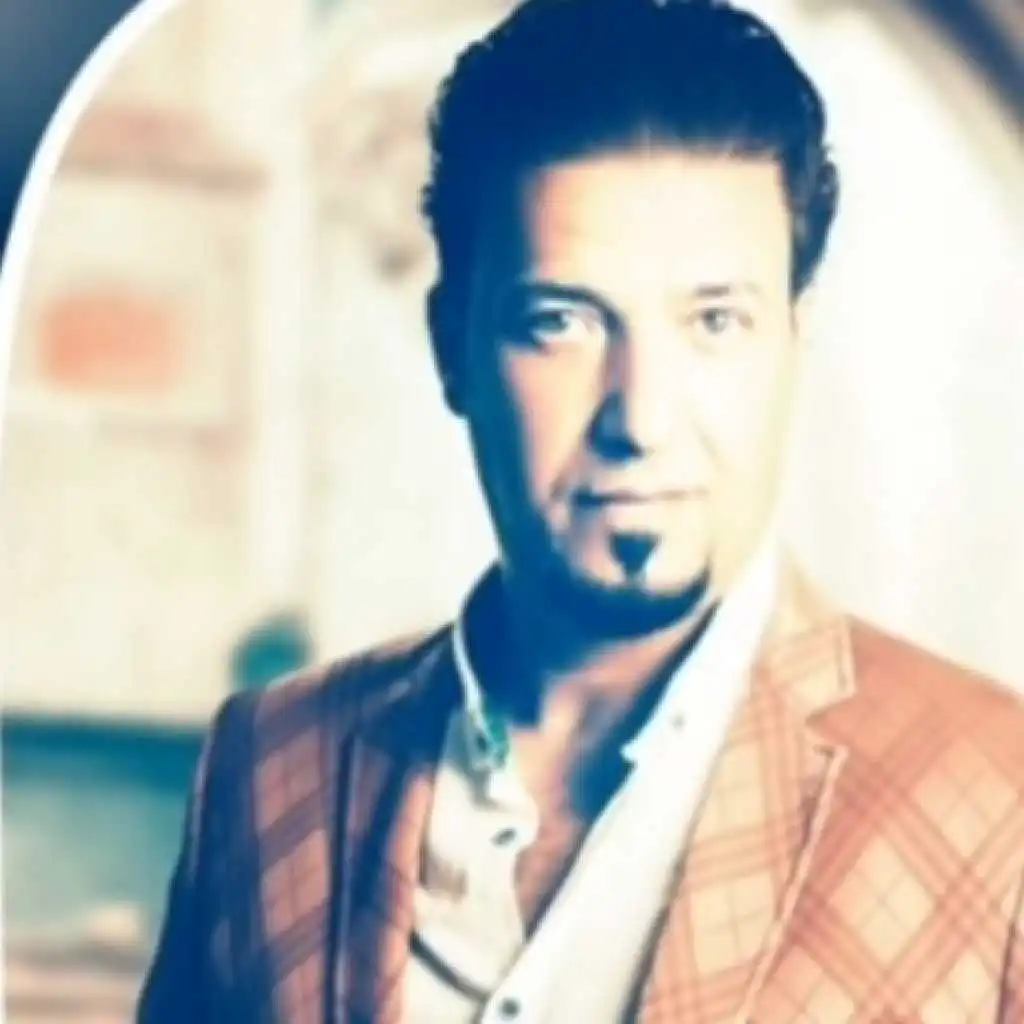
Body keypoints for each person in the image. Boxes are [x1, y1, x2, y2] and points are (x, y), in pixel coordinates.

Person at [136, 0, 1024, 1020]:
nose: (640, 417)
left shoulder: (995, 802)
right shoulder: (269, 763)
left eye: (714, 320)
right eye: (561, 321)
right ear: (452, 346)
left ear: (793, 339)